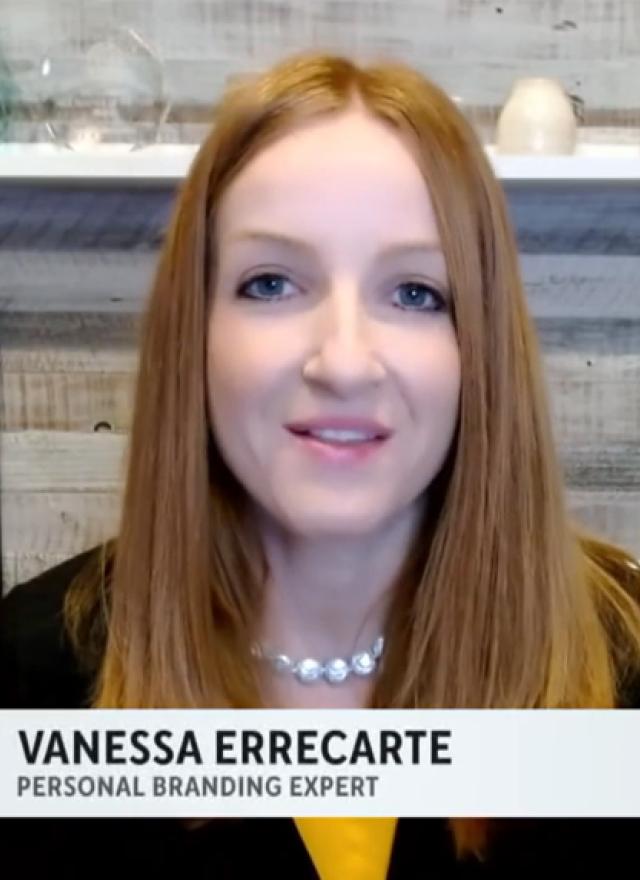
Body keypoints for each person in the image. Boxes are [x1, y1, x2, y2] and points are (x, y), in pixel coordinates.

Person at [1, 49, 640, 877]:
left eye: (415, 292)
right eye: (271, 284)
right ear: (193, 332)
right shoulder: (35, 676)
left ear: (479, 348)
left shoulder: (621, 671)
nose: (343, 362)